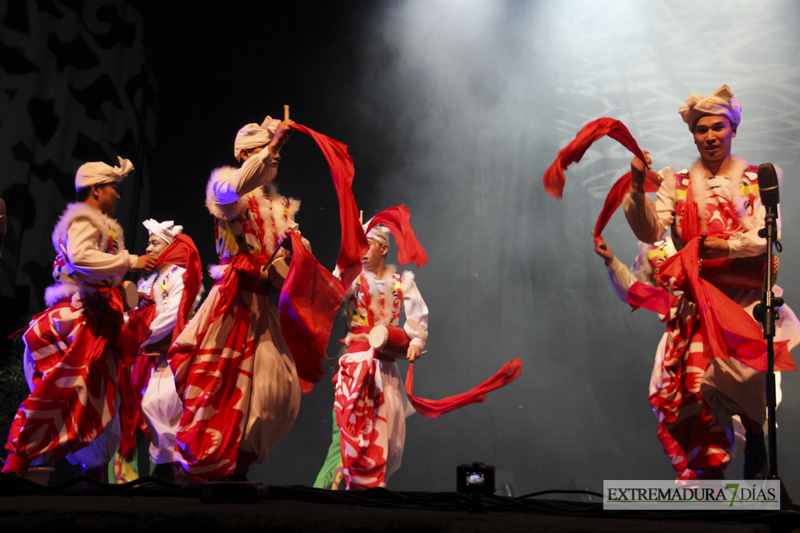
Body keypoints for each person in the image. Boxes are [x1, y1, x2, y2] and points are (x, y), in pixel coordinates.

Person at [622, 84, 800, 479]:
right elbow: (653, 231)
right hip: (700, 307)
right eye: (702, 130)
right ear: (694, 134)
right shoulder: (678, 184)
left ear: (732, 129)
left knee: (747, 378)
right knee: (695, 392)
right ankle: (709, 486)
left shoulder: (755, 180)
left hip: (746, 304)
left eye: (717, 128)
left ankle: (755, 440)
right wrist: (637, 188)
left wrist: (724, 246)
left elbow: (766, 236)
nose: (710, 136)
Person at [168, 113, 303, 482]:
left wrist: (294, 252)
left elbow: (294, 247)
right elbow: (239, 186)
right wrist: (273, 144)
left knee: (276, 389)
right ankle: (210, 464)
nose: (275, 158)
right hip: (233, 300)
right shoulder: (225, 188)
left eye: (275, 152)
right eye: (265, 152)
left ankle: (237, 463)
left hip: (263, 304)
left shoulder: (277, 206)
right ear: (245, 154)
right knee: (220, 384)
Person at [3, 157, 156, 480]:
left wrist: (124, 288)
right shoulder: (85, 221)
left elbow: (96, 268)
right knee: (67, 392)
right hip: (81, 320)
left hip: (98, 319)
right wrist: (131, 260)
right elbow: (82, 258)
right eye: (113, 189)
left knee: (98, 401)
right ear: (96, 189)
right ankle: (18, 462)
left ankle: (96, 475)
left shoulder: (100, 224)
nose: (117, 195)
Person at [331, 225, 428, 490]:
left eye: (368, 245)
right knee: (356, 430)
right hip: (356, 366)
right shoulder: (351, 278)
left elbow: (417, 318)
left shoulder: (401, 282)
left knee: (389, 437)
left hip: (386, 369)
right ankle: (361, 486)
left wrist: (416, 342)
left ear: (383, 248)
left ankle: (374, 487)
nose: (361, 251)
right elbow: (331, 287)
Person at [121, 219, 202, 481]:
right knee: (153, 404)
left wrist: (144, 336)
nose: (149, 248)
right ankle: (166, 467)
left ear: (169, 246)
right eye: (148, 243)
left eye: (155, 243)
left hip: (177, 350)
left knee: (166, 403)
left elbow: (174, 314)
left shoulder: (179, 275)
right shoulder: (159, 278)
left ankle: (175, 468)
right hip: (161, 353)